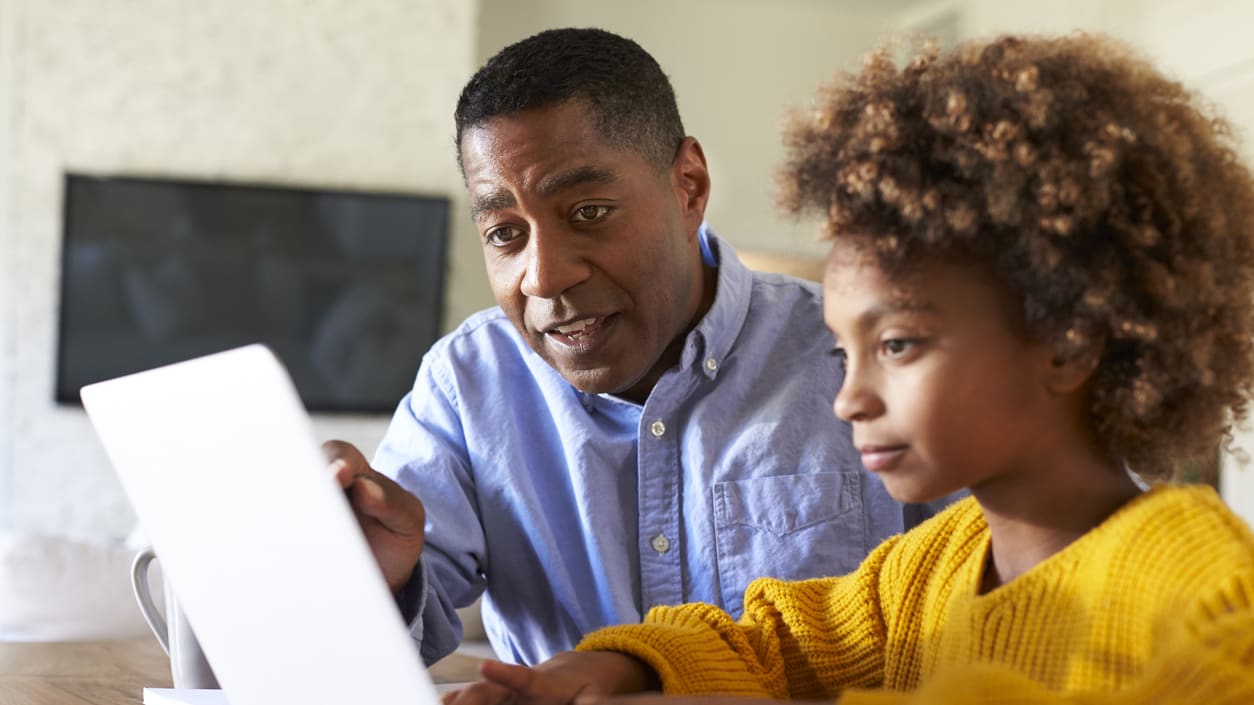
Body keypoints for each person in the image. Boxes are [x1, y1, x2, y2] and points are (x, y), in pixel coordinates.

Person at [446, 33, 1254, 704]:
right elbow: (773, 641)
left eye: (897, 345)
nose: (849, 397)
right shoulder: (930, 566)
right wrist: (612, 666)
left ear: (1069, 340)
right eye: (844, 350)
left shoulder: (1202, 581)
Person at [325, 27, 954, 666]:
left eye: (589, 213)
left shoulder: (855, 357)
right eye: (505, 233)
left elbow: (981, 595)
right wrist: (380, 579)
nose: (543, 276)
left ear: (689, 188)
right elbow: (374, 643)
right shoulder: (467, 384)